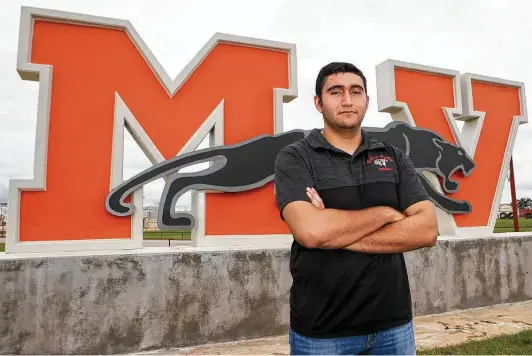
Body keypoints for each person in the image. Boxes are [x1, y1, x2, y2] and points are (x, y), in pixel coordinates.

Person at [273, 62, 438, 355]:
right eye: (335, 92)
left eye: (355, 91)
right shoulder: (295, 158)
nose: (347, 100)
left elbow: (426, 230)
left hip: (394, 328)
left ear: (366, 101)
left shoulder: (394, 158)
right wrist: (387, 214)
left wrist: (335, 232)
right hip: (322, 333)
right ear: (318, 102)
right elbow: (311, 232)